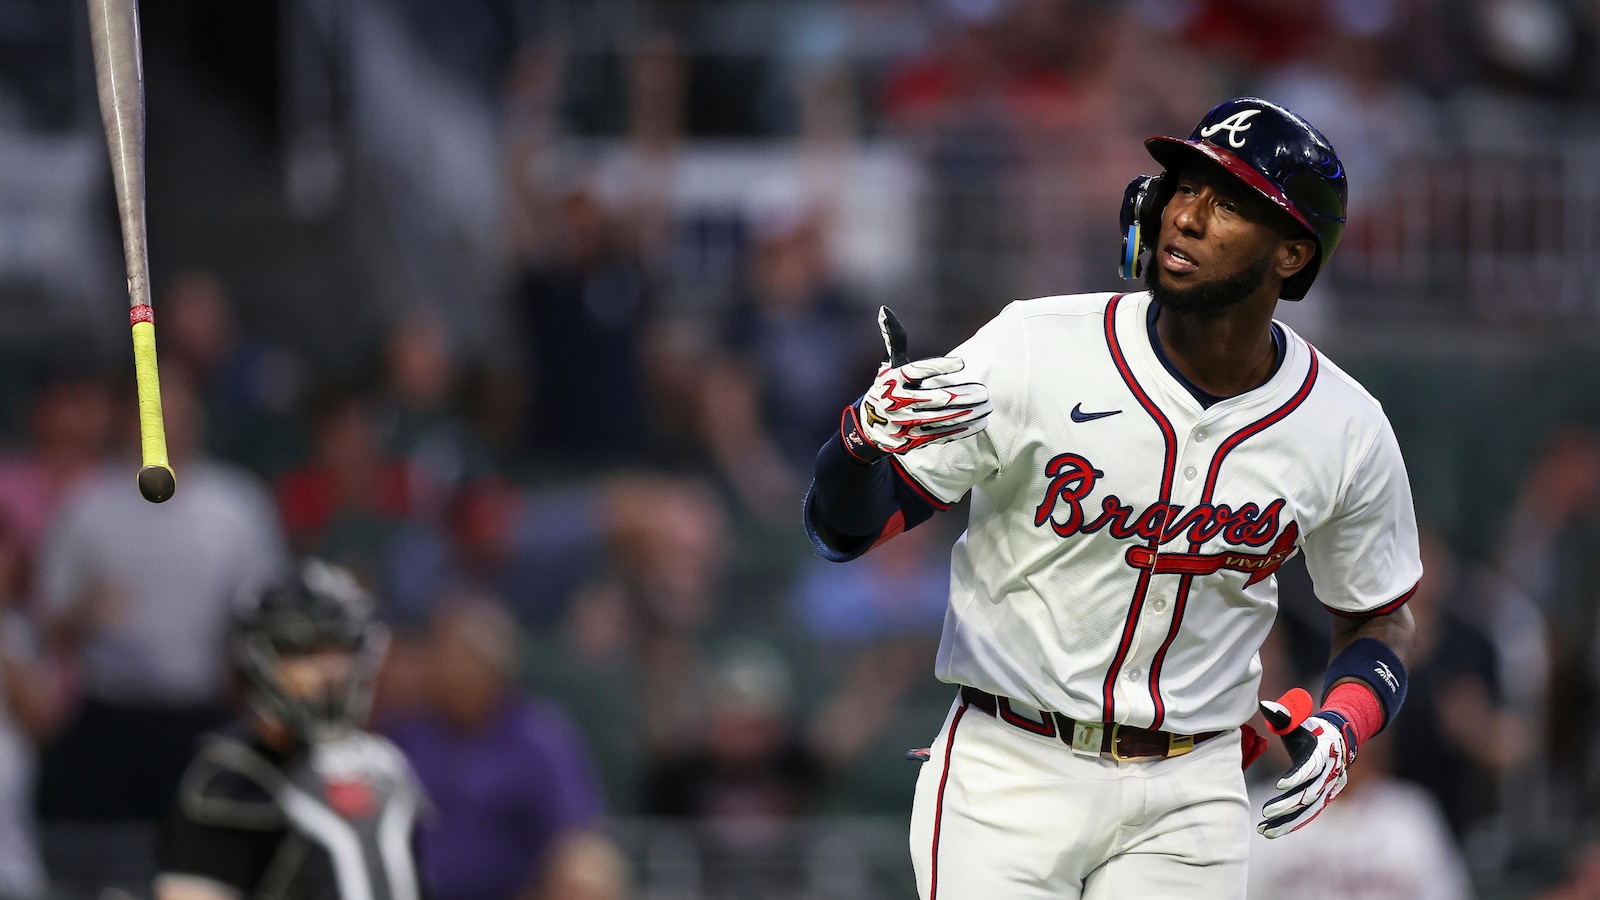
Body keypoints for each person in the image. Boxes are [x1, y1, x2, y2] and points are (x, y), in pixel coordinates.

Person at [803, 97, 1421, 899]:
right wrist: (858, 443)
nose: (1186, 219)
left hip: (1191, 792)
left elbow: (1379, 617)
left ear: (1292, 255)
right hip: (1012, 767)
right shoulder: (1035, 348)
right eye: (1183, 186)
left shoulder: (1345, 426)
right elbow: (843, 531)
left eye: (1228, 202)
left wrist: (1347, 720)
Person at [154, 559, 423, 900]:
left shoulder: (384, 766)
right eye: (306, 652)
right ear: (259, 658)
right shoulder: (230, 780)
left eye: (340, 649)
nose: (331, 670)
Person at [384, 596, 625, 900]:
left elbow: (578, 838)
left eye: (455, 656)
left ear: (489, 666)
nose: (439, 667)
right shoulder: (407, 733)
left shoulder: (539, 738)